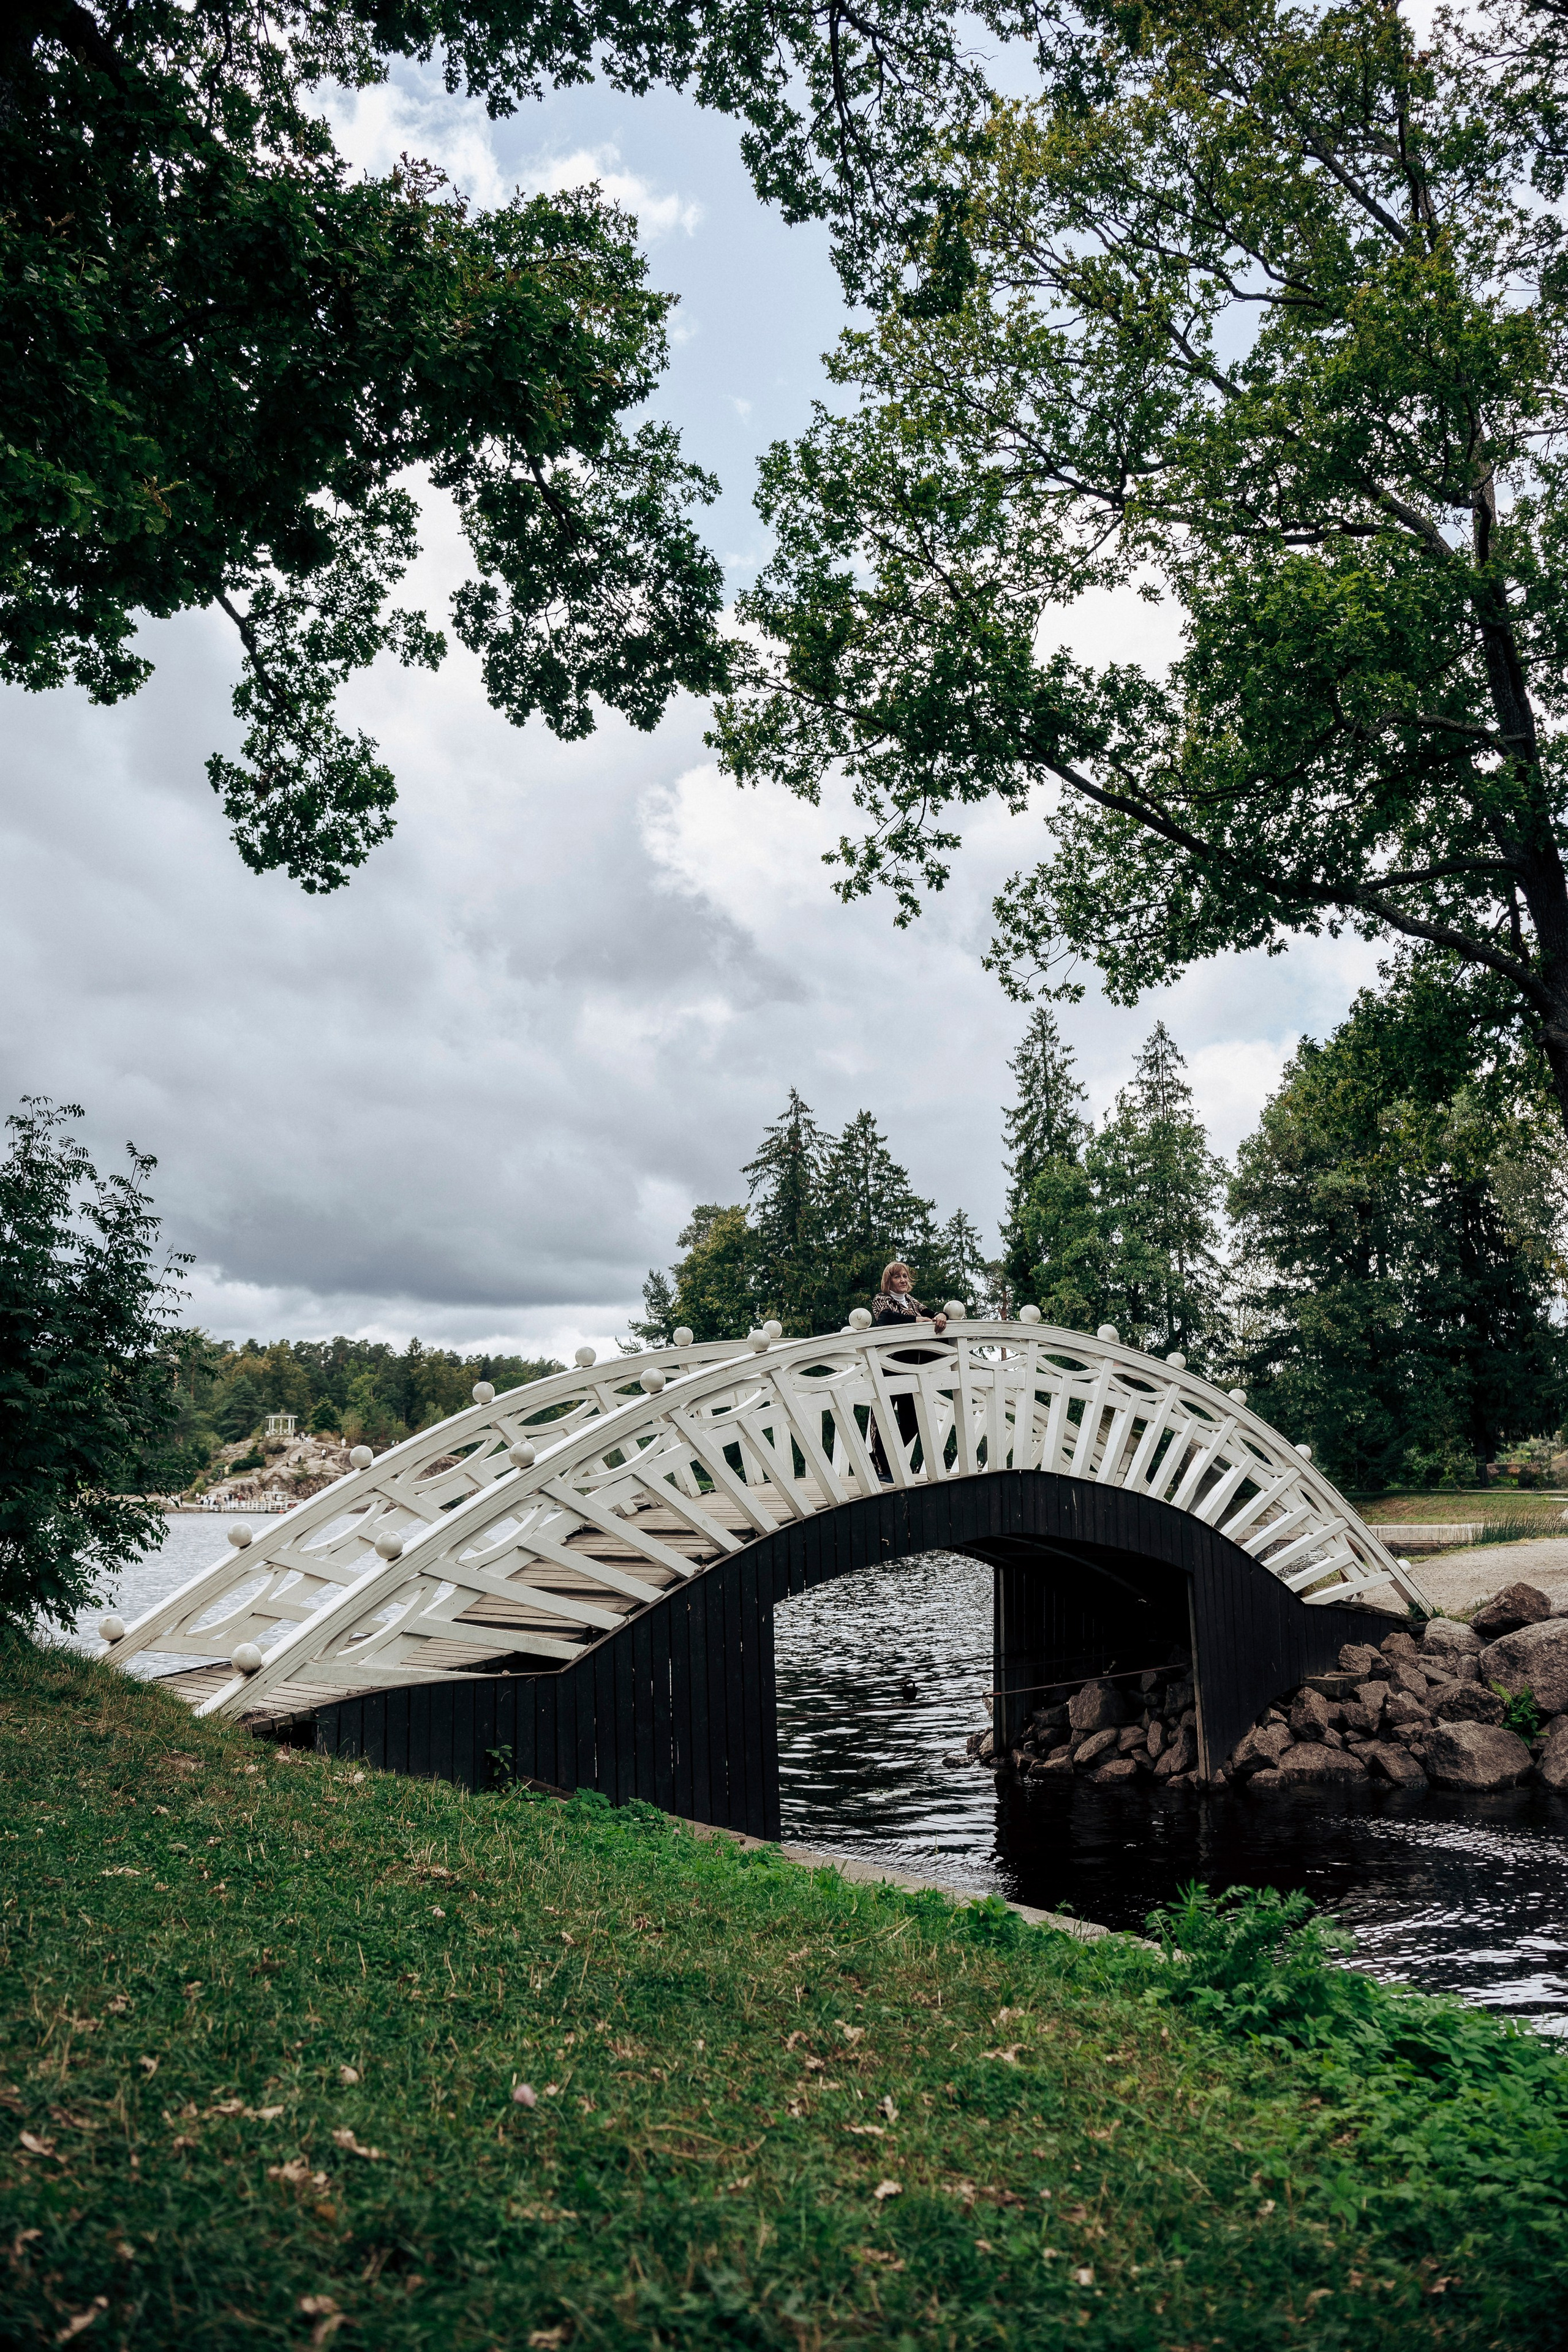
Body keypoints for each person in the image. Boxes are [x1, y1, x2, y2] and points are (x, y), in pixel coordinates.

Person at [866, 1262, 948, 1478]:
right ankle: (883, 1467)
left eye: (905, 1276)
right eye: (897, 1277)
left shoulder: (912, 1302)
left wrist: (941, 1315)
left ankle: (879, 1458)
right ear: (888, 1281)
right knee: (883, 1418)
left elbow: (931, 1313)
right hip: (887, 1367)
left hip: (910, 1369)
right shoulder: (881, 1300)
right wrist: (915, 1320)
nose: (902, 1280)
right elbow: (885, 1319)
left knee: (912, 1422)